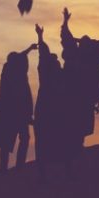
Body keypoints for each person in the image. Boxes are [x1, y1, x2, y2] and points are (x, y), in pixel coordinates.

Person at [0, 44, 35, 172]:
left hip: (19, 111)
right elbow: (20, 57)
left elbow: (21, 56)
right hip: (13, 111)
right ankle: (11, 167)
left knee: (18, 138)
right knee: (9, 140)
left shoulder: (13, 72)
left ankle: (15, 166)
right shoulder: (11, 74)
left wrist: (29, 49)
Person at [33, 25, 78, 180]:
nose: (57, 62)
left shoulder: (60, 76)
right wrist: (40, 37)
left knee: (61, 141)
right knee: (48, 142)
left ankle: (62, 172)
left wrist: (41, 36)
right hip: (48, 112)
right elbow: (43, 55)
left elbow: (44, 55)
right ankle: (47, 174)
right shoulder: (50, 76)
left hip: (55, 113)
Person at [60, 8, 99, 149]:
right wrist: (65, 21)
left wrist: (96, 100)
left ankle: (77, 146)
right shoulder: (76, 56)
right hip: (74, 97)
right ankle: (74, 147)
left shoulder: (92, 62)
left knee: (81, 126)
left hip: (84, 98)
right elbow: (66, 37)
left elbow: (97, 81)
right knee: (74, 124)